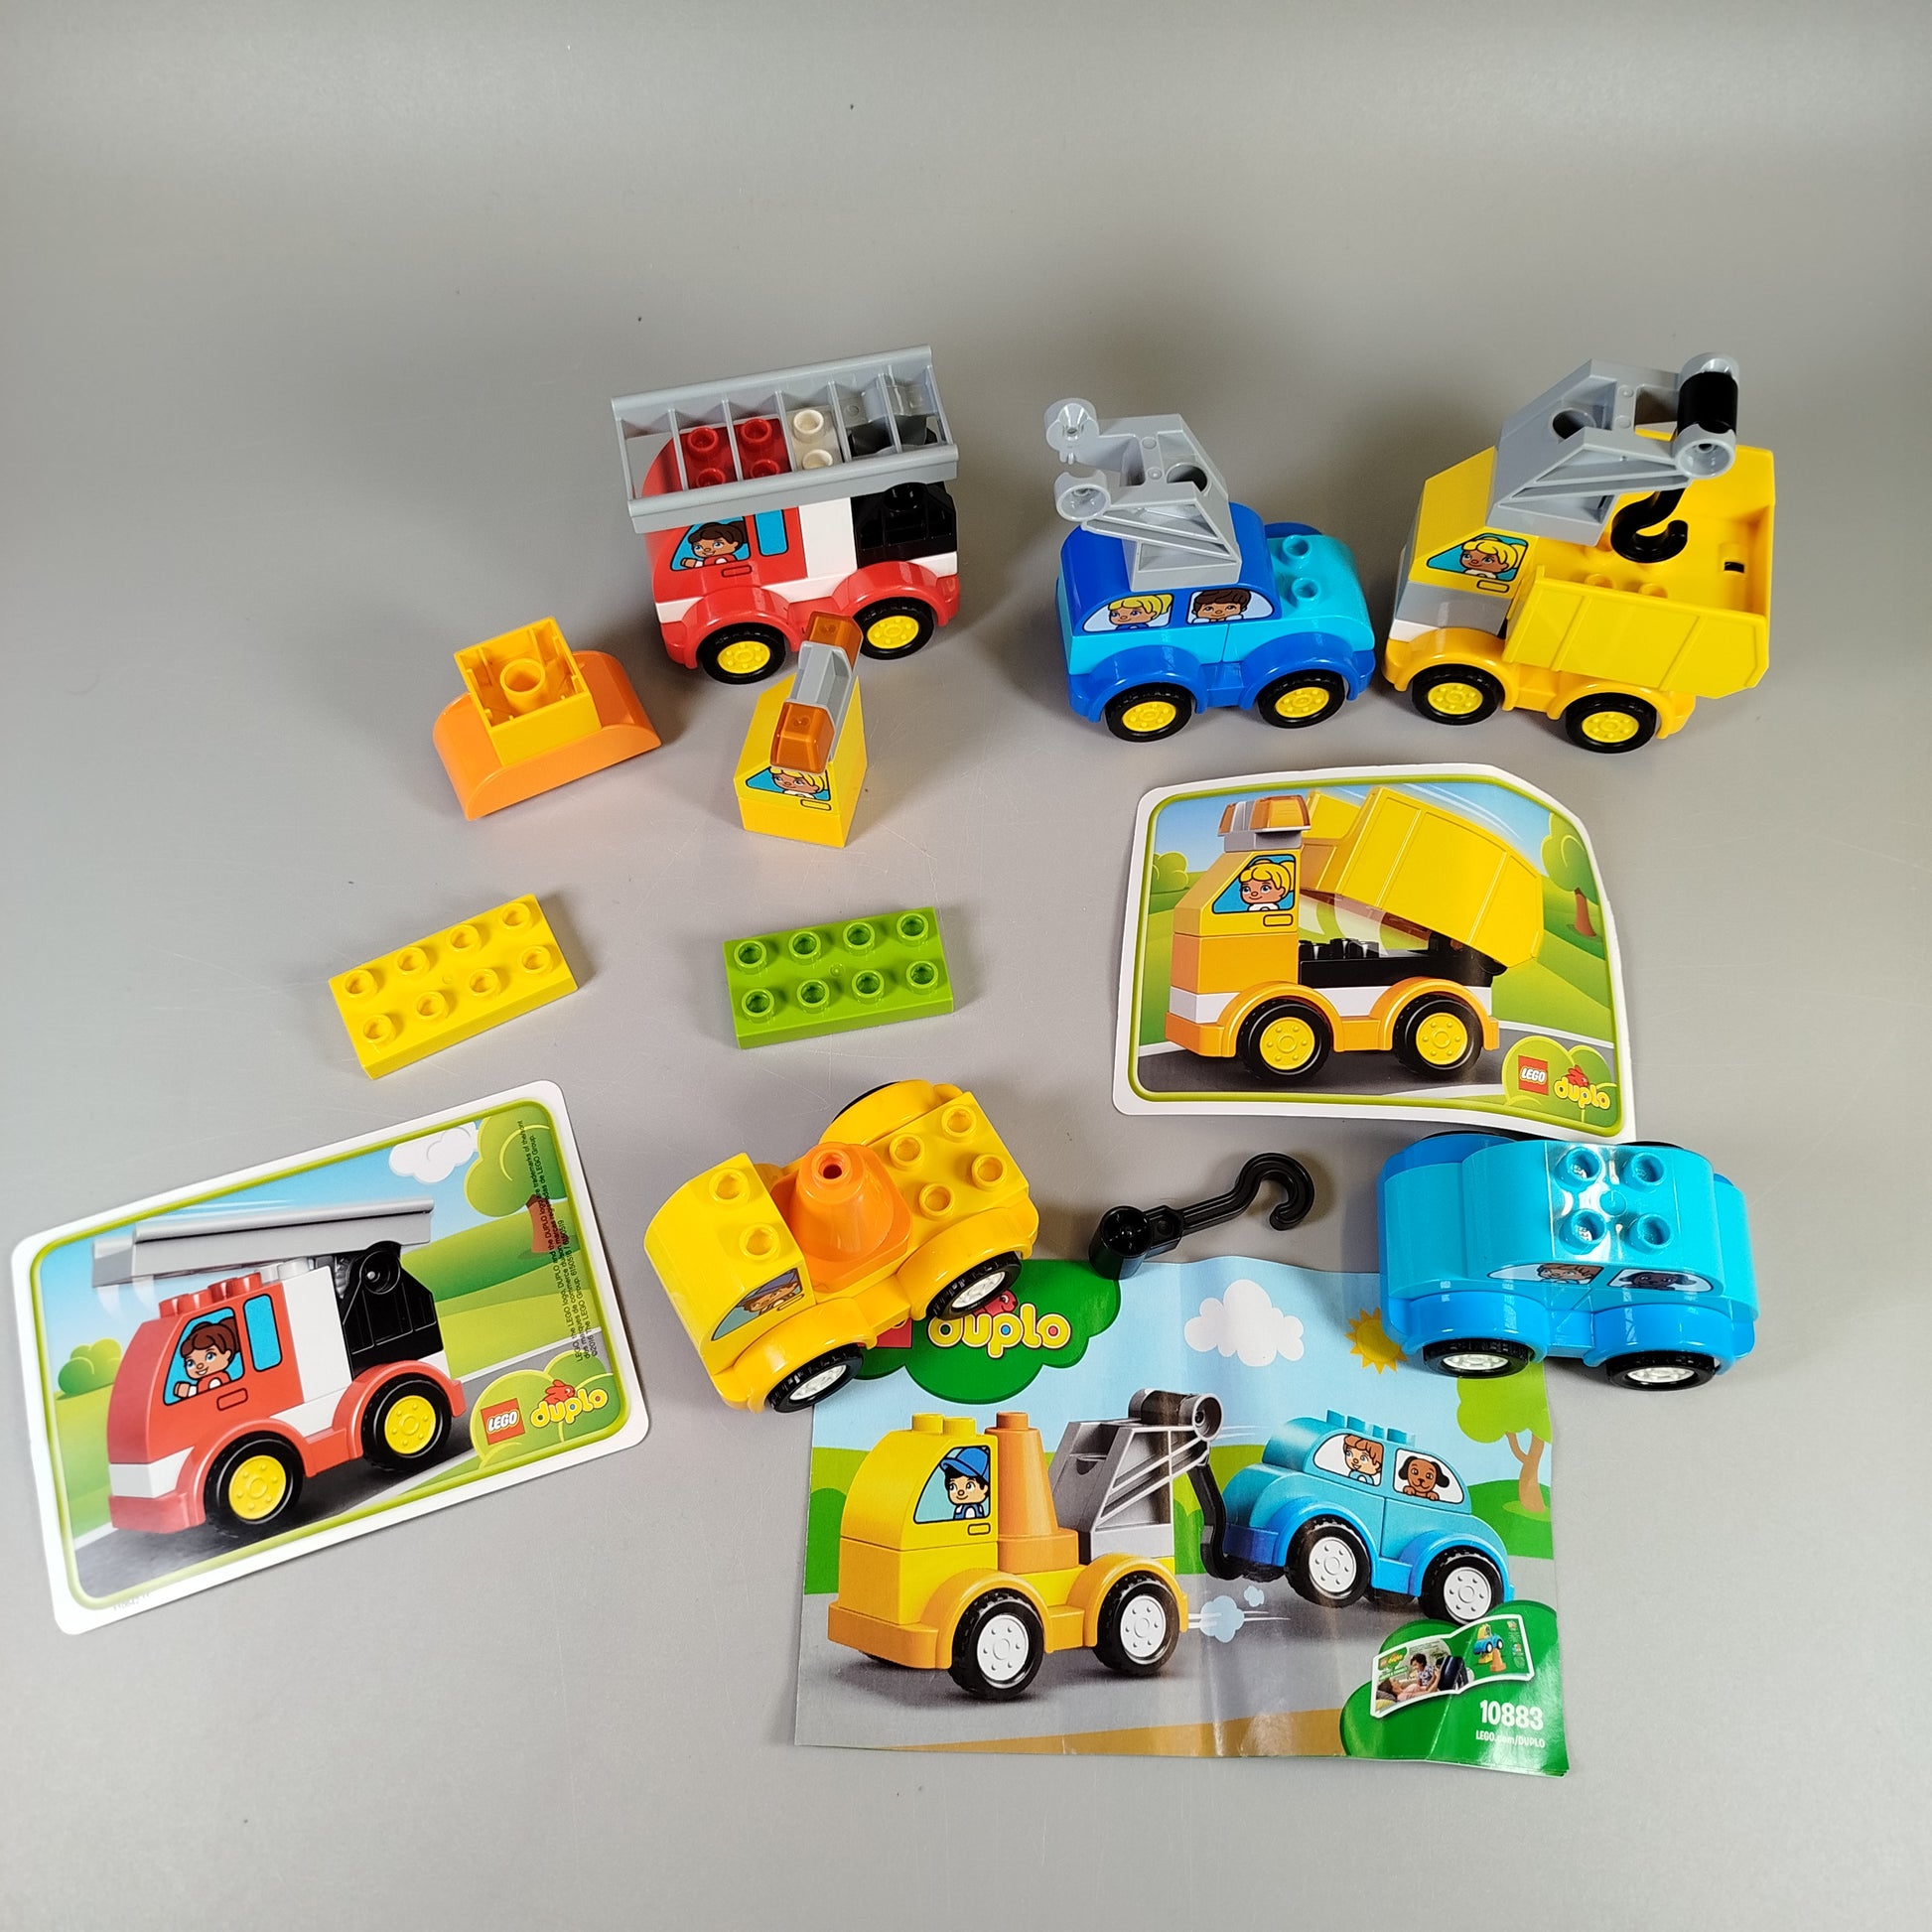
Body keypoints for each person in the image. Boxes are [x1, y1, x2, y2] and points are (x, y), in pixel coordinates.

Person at [173, 1315, 239, 1400]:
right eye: (190, 1363)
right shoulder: (205, 1381)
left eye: (209, 1356)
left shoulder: (217, 1380)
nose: (199, 1365)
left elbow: (207, 1394)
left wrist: (188, 1391)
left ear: (227, 1354)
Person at [939, 1447, 991, 1519]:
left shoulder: (970, 1510)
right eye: (953, 1487)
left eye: (969, 1486)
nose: (960, 1492)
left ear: (985, 1488)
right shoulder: (961, 1508)